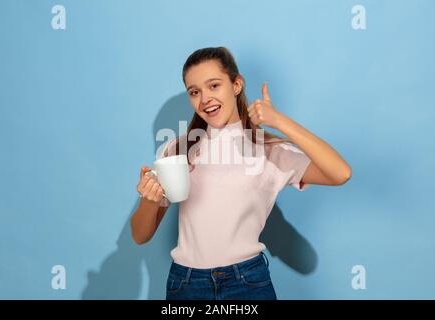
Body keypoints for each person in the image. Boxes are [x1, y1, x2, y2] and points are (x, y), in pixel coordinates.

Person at [131, 47, 352, 300]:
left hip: (247, 283)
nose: (205, 100)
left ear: (236, 85)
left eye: (214, 86)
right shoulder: (179, 149)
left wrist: (279, 121)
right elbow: (140, 235)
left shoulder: (268, 150)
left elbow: (340, 173)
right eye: (195, 92)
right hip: (186, 284)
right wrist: (148, 200)